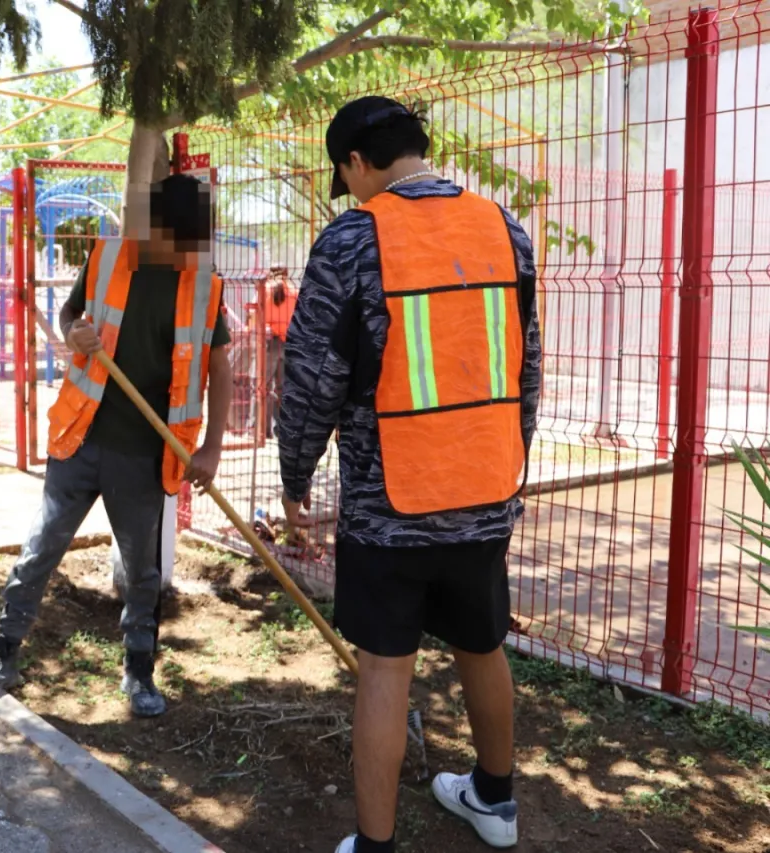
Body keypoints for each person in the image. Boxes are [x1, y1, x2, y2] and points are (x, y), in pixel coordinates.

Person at [276, 96, 541, 853]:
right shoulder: (505, 232)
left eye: (346, 175)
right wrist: (508, 464)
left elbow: (311, 382)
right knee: (482, 643)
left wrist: (297, 474)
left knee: (385, 667)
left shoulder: (353, 240)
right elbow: (527, 371)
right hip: (486, 490)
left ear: (357, 163)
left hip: (390, 505)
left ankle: (376, 845)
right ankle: (495, 800)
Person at [0, 174, 234, 718]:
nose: (189, 253)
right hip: (78, 440)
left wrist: (211, 449)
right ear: (156, 228)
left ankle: (138, 671)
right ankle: (2, 657)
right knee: (40, 550)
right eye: (182, 242)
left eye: (196, 244)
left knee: (143, 571)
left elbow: (220, 369)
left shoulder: (204, 285)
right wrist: (73, 332)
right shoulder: (108, 259)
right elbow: (70, 316)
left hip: (146, 455)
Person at [261, 266, 297, 434]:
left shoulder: (266, 291)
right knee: (283, 388)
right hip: (289, 342)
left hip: (270, 343)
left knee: (263, 387)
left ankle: (263, 429)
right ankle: (282, 427)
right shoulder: (294, 293)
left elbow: (258, 317)